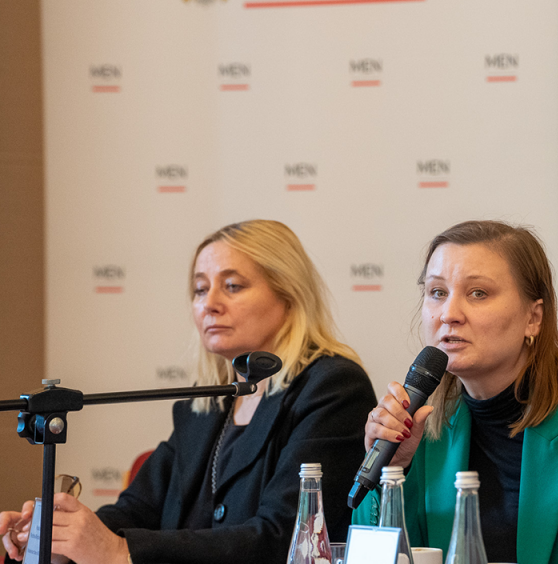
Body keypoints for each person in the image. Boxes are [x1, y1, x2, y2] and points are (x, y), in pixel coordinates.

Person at [1, 220, 377, 564]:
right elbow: (136, 510)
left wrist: (117, 550)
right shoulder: (207, 402)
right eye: (200, 289)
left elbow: (286, 540)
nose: (209, 304)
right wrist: (61, 541)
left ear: (289, 295)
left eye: (233, 286)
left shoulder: (333, 388)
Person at [354, 220, 558, 564]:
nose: (449, 314)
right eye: (438, 292)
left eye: (478, 293)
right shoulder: (420, 424)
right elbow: (375, 557)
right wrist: (391, 472)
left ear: (534, 318)